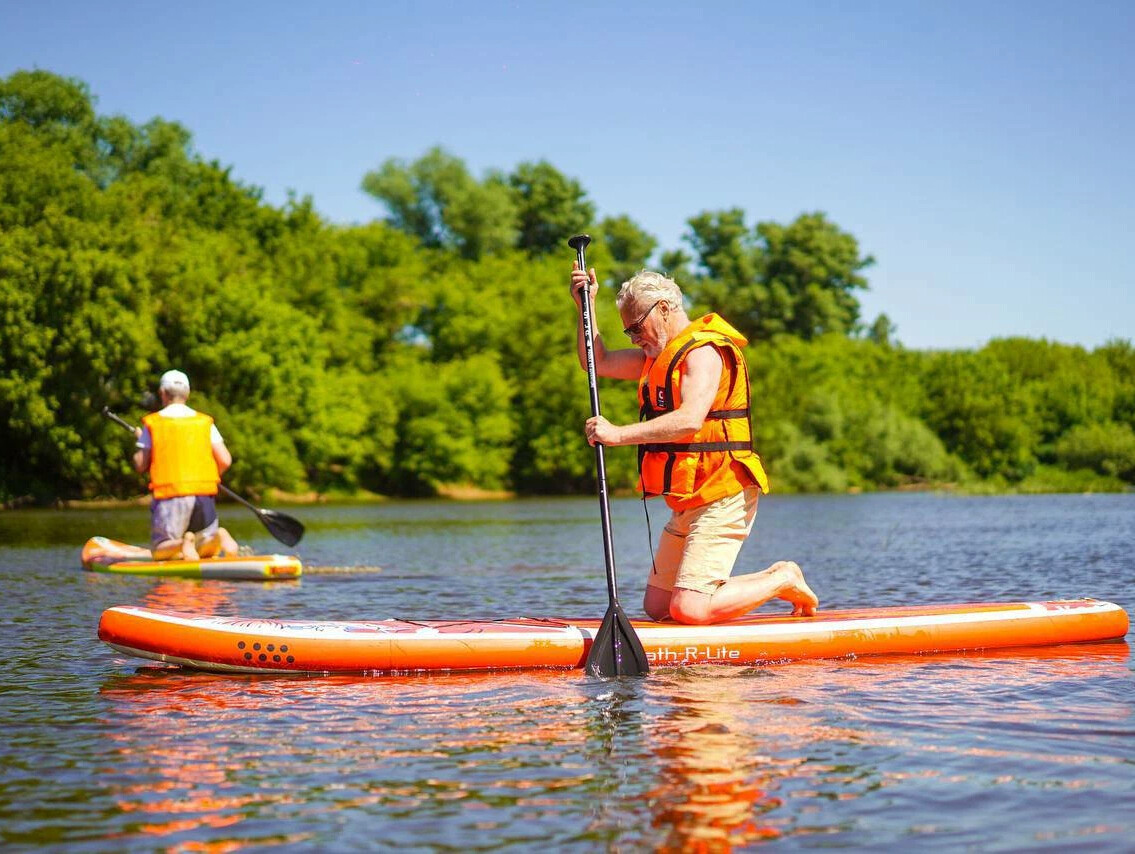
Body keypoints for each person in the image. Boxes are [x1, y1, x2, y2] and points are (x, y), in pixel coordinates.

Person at [569, 264, 818, 625]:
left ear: (665, 309)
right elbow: (598, 362)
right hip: (688, 498)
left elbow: (689, 419)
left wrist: (618, 434)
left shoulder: (703, 353)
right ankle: (745, 585)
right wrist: (585, 306)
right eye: (627, 330)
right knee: (658, 608)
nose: (633, 337)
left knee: (688, 610)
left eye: (637, 327)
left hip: (723, 491)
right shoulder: (657, 358)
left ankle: (782, 578)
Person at [132, 370, 240, 560]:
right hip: (204, 494)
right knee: (204, 547)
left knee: (160, 550)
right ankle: (218, 537)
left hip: (171, 494)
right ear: (187, 394)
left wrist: (140, 441)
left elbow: (140, 464)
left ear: (163, 393)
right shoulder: (205, 422)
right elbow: (225, 460)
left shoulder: (154, 423)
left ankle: (182, 543)